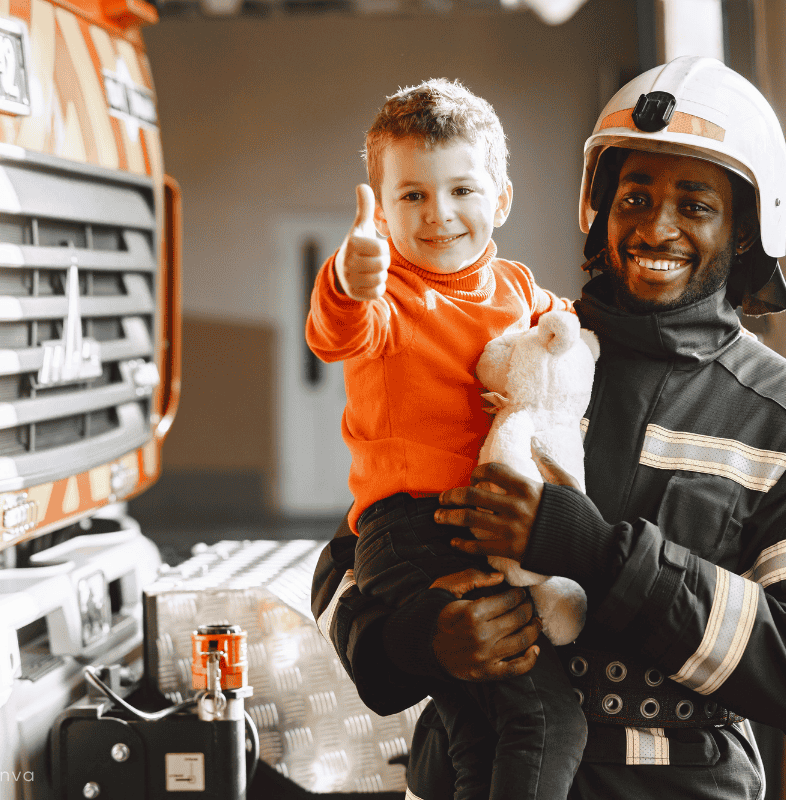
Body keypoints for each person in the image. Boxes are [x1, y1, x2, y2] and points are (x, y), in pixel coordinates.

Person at [312, 57, 786, 800]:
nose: (657, 226)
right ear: (598, 209)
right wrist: (411, 641)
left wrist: (601, 555)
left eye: (696, 206)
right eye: (634, 196)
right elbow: (356, 548)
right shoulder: (525, 353)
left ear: (745, 231)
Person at [305, 78, 587, 800]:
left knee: (479, 731)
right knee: (548, 722)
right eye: (412, 196)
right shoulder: (389, 297)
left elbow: (578, 346)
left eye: (462, 190)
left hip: (486, 526)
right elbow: (338, 331)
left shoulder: (519, 289)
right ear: (383, 206)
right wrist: (347, 276)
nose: (440, 215)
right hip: (415, 532)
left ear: (502, 198)